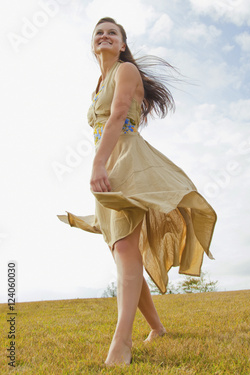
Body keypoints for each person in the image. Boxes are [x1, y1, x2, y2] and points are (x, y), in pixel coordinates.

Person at [57, 17, 217, 366]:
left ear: (123, 44)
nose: (104, 36)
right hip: (108, 162)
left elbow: (117, 118)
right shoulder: (97, 83)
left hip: (127, 161)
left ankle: (122, 341)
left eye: (112, 33)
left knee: (127, 249)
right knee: (121, 252)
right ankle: (157, 328)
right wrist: (101, 164)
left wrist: (98, 165)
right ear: (92, 44)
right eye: (99, 33)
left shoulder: (125, 71)